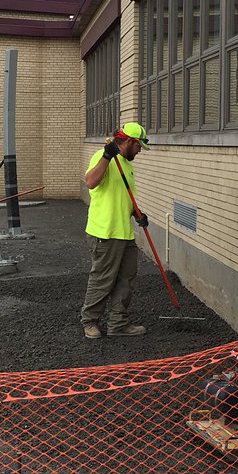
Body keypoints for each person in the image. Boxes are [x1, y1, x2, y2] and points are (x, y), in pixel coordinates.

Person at [80, 122, 152, 339]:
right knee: (103, 279)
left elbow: (124, 196)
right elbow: (90, 182)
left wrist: (137, 214)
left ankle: (118, 323)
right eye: (138, 146)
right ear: (129, 142)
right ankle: (90, 321)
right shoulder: (104, 158)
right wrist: (106, 156)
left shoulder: (127, 165)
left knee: (126, 279)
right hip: (105, 232)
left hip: (124, 232)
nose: (139, 151)